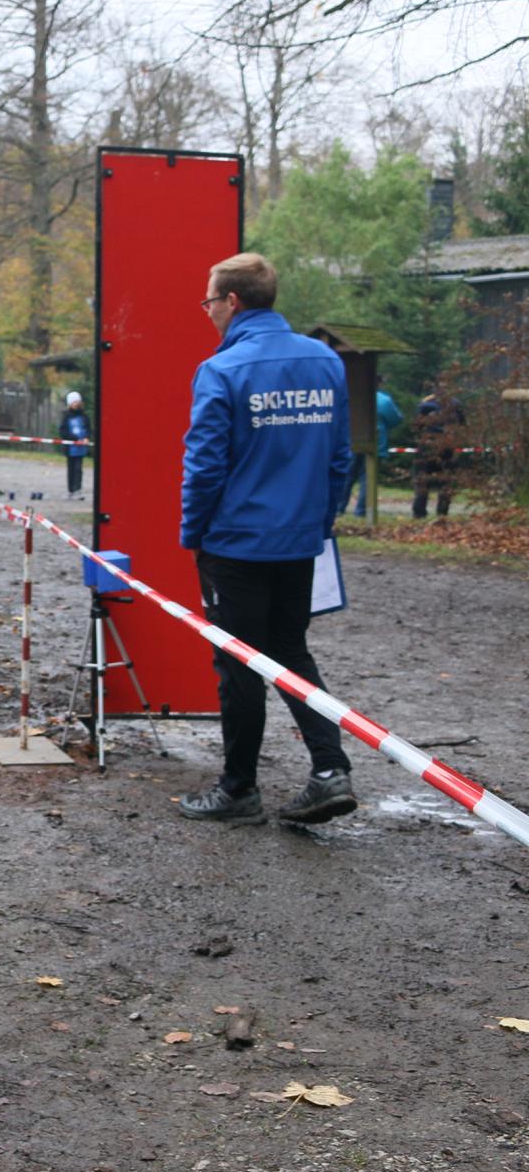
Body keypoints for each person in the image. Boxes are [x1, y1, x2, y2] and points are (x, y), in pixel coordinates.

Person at [178, 251, 356, 827]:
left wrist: (193, 532)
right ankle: (330, 770)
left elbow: (205, 466)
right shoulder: (324, 361)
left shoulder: (221, 370)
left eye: (209, 301)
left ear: (231, 301)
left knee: (239, 665)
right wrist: (319, 524)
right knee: (290, 651)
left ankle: (238, 789)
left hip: (236, 544)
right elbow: (340, 458)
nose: (207, 312)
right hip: (298, 541)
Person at [343, 375, 402, 518]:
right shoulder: (384, 400)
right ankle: (361, 511)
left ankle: (339, 507)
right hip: (376, 441)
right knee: (368, 479)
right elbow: (396, 419)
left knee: (347, 476)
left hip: (351, 439)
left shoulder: (352, 397)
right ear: (379, 384)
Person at [411, 385, 465, 519]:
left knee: (422, 479)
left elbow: (416, 425)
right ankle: (442, 512)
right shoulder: (455, 404)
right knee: (445, 480)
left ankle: (419, 512)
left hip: (427, 444)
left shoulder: (425, 404)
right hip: (447, 445)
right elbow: (462, 424)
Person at [60, 391, 91, 500]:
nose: (76, 404)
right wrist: (74, 438)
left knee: (78, 469)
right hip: (70, 448)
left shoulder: (84, 416)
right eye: (74, 402)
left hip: (80, 448)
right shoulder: (66, 416)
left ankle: (78, 490)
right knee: (71, 469)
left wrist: (86, 437)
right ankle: (71, 490)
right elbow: (63, 432)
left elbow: (88, 429)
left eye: (77, 402)